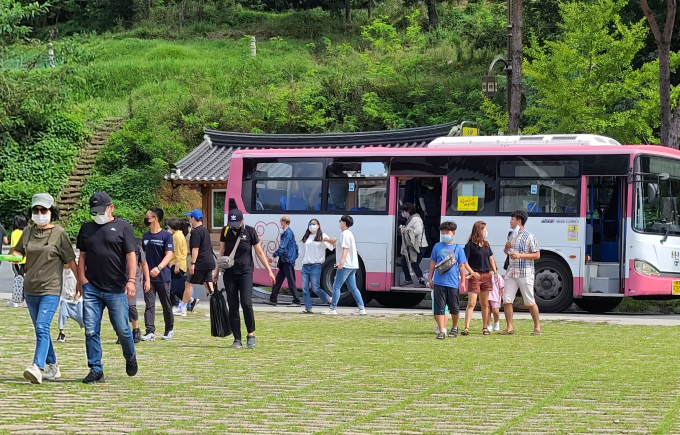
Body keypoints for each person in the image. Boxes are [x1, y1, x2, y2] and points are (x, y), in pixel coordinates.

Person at [10, 193, 79, 384]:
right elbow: (17, 251)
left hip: (51, 288)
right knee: (42, 330)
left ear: (51, 211)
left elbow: (71, 260)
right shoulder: (27, 232)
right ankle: (53, 367)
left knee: (42, 327)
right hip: (30, 288)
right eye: (36, 210)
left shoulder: (59, 233)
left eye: (43, 210)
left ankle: (37, 367)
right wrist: (15, 255)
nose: (40, 213)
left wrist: (80, 282)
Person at [77, 191, 138, 383]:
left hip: (116, 287)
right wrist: (82, 280)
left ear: (111, 208)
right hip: (92, 287)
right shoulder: (86, 228)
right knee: (91, 330)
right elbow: (82, 256)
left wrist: (131, 280)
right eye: (94, 212)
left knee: (122, 329)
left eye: (101, 211)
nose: (98, 215)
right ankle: (96, 369)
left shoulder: (123, 226)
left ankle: (130, 356)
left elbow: (131, 255)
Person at [215, 209, 276, 349]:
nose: (234, 225)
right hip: (229, 273)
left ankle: (251, 334)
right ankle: (237, 338)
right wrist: (216, 271)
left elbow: (259, 252)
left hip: (245, 272)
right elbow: (222, 251)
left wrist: (269, 271)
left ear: (242, 220)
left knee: (246, 303)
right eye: (231, 223)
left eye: (236, 222)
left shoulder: (250, 231)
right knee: (233, 305)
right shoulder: (225, 231)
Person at [502, 210, 541, 336]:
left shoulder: (529, 236)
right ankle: (509, 328)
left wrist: (520, 255)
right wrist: (507, 247)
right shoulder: (510, 235)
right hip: (511, 272)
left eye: (512, 219)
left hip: (525, 272)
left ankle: (537, 327)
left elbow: (537, 254)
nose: (510, 222)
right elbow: (506, 252)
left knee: (529, 301)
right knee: (507, 300)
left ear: (519, 221)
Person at [427, 221, 467, 340]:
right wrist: (430, 278)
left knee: (454, 307)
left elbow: (462, 266)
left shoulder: (458, 248)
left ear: (453, 233)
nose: (445, 235)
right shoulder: (437, 246)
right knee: (439, 307)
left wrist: (463, 281)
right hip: (439, 282)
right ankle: (441, 330)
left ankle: (455, 327)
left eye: (447, 233)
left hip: (453, 282)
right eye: (443, 233)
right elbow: (433, 262)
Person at [141, 206, 175, 341]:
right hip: (148, 277)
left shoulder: (166, 236)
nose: (146, 218)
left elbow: (169, 254)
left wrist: (159, 268)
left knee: (166, 303)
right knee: (149, 304)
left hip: (163, 276)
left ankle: (169, 329)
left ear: (155, 218)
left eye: (148, 216)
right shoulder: (145, 236)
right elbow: (142, 258)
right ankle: (150, 331)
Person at [322, 215, 367, 316]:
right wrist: (329, 240)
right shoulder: (347, 234)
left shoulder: (345, 234)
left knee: (336, 286)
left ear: (344, 223)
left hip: (346, 265)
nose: (339, 222)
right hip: (352, 265)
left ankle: (332, 308)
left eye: (341, 221)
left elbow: (345, 249)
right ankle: (361, 308)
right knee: (353, 288)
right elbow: (339, 245)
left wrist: (341, 262)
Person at [462, 221, 498, 336]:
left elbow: (491, 259)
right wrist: (472, 272)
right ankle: (466, 327)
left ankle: (485, 327)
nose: (486, 231)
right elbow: (464, 261)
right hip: (475, 276)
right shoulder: (469, 246)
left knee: (484, 303)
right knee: (471, 303)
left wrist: (495, 272)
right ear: (479, 230)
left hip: (486, 275)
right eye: (484, 229)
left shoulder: (486, 244)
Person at [117, 244, 149, 345]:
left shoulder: (137, 247)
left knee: (131, 305)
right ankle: (122, 333)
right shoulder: (116, 245)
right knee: (119, 306)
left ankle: (136, 330)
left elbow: (144, 264)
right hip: (119, 278)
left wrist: (147, 280)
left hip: (133, 278)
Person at [299, 218, 333, 313]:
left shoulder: (322, 236)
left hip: (315, 265)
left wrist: (326, 241)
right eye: (310, 224)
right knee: (305, 288)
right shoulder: (306, 237)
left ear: (318, 226)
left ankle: (328, 299)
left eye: (314, 224)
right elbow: (302, 252)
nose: (312, 226)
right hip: (306, 265)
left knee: (315, 288)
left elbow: (331, 246)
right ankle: (308, 307)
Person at [266, 216, 300, 306]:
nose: (280, 223)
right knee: (278, 280)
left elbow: (282, 247)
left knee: (291, 281)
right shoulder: (289, 232)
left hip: (287, 260)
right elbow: (295, 246)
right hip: (286, 260)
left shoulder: (287, 233)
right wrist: (295, 257)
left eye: (281, 222)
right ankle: (273, 299)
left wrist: (273, 255)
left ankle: (296, 301)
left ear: (284, 222)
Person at [184, 209, 213, 313]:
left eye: (190, 217)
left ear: (193, 219)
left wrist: (193, 263)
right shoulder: (205, 230)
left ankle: (182, 307)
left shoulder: (196, 232)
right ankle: (216, 305)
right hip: (209, 261)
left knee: (188, 284)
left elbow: (195, 248)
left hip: (200, 263)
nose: (189, 220)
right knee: (208, 284)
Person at [167, 218, 193, 316]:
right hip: (179, 262)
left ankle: (188, 301)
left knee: (175, 287)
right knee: (178, 286)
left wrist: (177, 265)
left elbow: (177, 251)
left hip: (177, 263)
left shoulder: (177, 236)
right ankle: (190, 300)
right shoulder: (179, 235)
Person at [399, 202, 428, 287]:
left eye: (402, 211)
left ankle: (422, 282)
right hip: (412, 246)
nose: (402, 213)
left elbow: (418, 230)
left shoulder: (415, 219)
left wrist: (407, 232)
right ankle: (408, 279)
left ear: (408, 211)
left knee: (414, 264)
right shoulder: (411, 218)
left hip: (418, 246)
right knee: (404, 262)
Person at [56, 264, 83, 343]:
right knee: (63, 315)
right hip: (65, 299)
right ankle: (61, 333)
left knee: (81, 317)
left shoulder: (75, 271)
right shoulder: (60, 271)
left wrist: (77, 292)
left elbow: (80, 282)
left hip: (77, 299)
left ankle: (88, 331)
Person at [8, 215, 27, 308]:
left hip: (17, 260)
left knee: (18, 279)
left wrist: (9, 256)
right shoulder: (26, 232)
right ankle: (26, 299)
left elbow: (13, 247)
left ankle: (16, 300)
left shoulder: (15, 233)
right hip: (26, 259)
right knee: (25, 279)